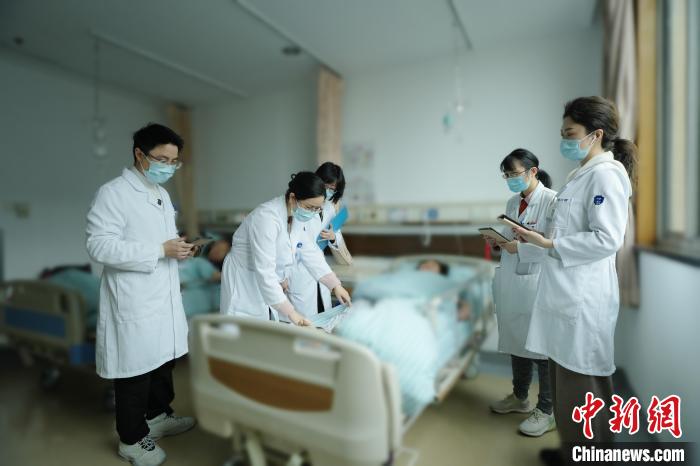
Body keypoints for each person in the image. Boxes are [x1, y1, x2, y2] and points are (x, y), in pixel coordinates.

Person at [513, 97, 635, 465]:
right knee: (566, 387)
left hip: (583, 299)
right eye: (563, 133)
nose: (564, 140)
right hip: (564, 295)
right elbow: (561, 236)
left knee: (583, 388)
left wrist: (549, 244)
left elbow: (607, 239)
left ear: (595, 135)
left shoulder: (605, 175)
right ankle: (572, 452)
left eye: (570, 133)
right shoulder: (578, 176)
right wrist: (531, 243)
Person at [86, 123, 196, 466]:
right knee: (135, 371)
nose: (169, 167)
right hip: (134, 299)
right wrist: (159, 250)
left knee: (163, 362)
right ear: (139, 154)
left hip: (163, 296)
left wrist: (176, 249)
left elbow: (161, 241)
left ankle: (157, 417)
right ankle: (131, 440)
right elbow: (98, 245)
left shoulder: (160, 194)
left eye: (174, 162)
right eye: (162, 159)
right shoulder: (113, 193)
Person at [483, 149, 558, 437]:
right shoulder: (513, 202)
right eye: (507, 175)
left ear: (532, 171)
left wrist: (520, 249)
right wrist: (498, 243)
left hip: (538, 283)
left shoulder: (552, 201)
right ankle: (520, 397)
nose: (511, 180)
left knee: (541, 348)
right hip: (513, 283)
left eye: (514, 174)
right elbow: (511, 239)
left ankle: (547, 410)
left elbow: (554, 246)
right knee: (517, 341)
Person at [220, 172, 352, 324]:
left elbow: (309, 250)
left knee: (262, 327)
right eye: (310, 207)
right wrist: (292, 313)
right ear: (293, 198)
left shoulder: (296, 215)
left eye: (317, 209)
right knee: (242, 329)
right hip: (243, 281)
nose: (312, 213)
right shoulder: (266, 218)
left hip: (263, 282)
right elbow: (265, 270)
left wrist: (335, 285)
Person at [287, 162, 353, 318]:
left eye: (333, 189)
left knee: (323, 313)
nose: (329, 191)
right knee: (301, 318)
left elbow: (338, 240)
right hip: (299, 268)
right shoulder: (301, 207)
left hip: (319, 267)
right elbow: (298, 242)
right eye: (327, 186)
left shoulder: (330, 208)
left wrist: (333, 237)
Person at [179, 239, 231, 317]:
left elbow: (216, 276)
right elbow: (214, 276)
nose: (216, 250)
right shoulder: (199, 262)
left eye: (222, 250)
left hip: (204, 311)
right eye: (216, 247)